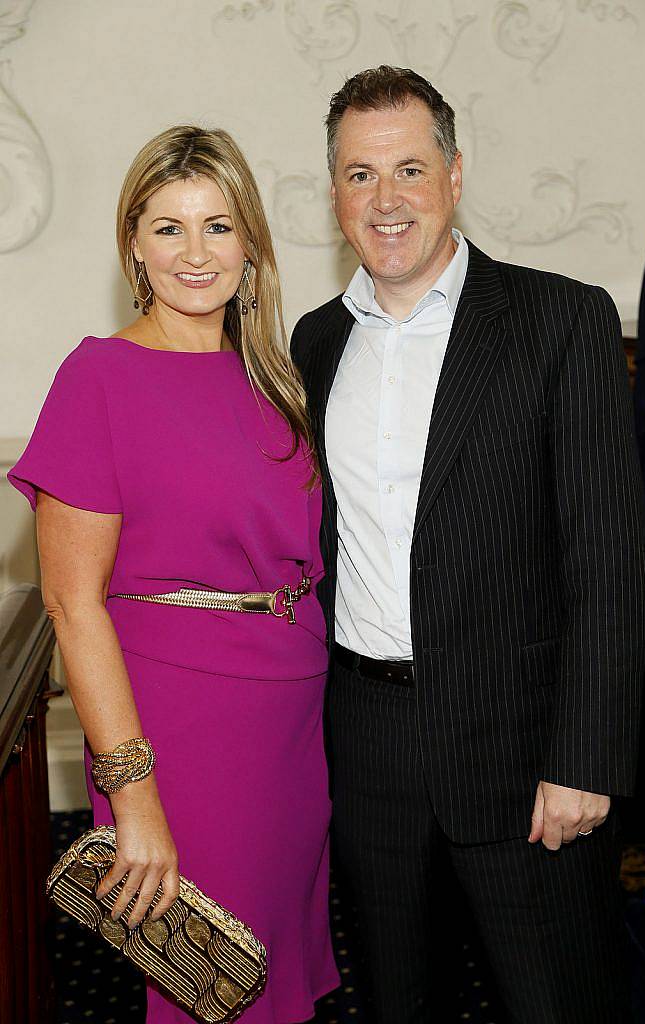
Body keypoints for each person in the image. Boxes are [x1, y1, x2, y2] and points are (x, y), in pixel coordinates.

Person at [291, 66, 645, 1024]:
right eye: (361, 175)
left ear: (455, 173)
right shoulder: (313, 345)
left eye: (410, 167)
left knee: (559, 1001)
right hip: (367, 743)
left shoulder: (559, 320)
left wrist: (585, 756)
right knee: (400, 1001)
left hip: (527, 747)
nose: (388, 198)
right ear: (335, 194)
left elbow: (609, 562)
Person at [9, 125, 339, 1024]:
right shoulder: (99, 378)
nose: (196, 253)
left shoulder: (278, 377)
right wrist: (132, 794)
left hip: (291, 721)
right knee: (210, 989)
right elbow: (74, 606)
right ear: (134, 247)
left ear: (252, 248)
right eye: (168, 228)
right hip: (183, 731)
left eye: (219, 227)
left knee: (269, 979)